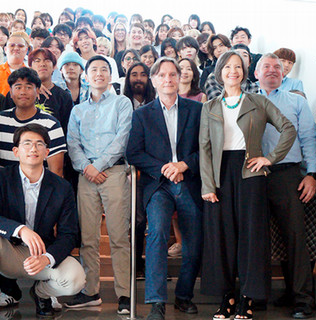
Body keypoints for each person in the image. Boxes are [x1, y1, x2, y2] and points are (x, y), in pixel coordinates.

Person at [199, 50, 296, 320]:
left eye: (238, 66)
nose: (233, 71)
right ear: (219, 73)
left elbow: (288, 128)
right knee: (222, 238)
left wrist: (271, 158)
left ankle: (247, 298)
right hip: (219, 176)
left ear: (244, 71)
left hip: (250, 174)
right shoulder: (209, 107)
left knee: (252, 238)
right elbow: (204, 148)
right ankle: (226, 297)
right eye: (228, 67)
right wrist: (208, 184)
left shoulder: (257, 101)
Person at [0, 124, 85, 320]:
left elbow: (69, 234)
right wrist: (21, 229)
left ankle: (42, 294)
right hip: (9, 251)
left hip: (42, 254)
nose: (33, 149)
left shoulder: (62, 187)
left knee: (76, 278)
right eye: (27, 143)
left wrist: (47, 258)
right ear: (16, 151)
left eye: (39, 144)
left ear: (47, 152)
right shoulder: (1, 177)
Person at [126, 57, 204, 320]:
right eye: (162, 75)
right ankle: (156, 301)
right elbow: (133, 153)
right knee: (157, 234)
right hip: (158, 185)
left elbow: (205, 150)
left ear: (180, 77)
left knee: (193, 243)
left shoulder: (196, 110)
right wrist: (165, 168)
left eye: (173, 74)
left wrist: (183, 165)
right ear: (154, 80)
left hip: (189, 182)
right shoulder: (142, 114)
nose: (168, 79)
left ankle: (183, 295)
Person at [65, 55, 133, 314]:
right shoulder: (78, 110)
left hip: (113, 173)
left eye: (104, 69)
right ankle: (90, 291)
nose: (99, 73)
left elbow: (122, 138)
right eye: (94, 69)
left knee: (118, 237)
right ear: (86, 76)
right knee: (89, 238)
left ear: (110, 74)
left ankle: (125, 295)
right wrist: (87, 168)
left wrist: (99, 166)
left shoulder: (122, 103)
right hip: (86, 175)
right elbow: (73, 143)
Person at [255, 53, 316, 319]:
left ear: (284, 73)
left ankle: (302, 299)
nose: (272, 70)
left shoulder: (296, 101)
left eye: (277, 67)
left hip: (288, 175)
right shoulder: (248, 101)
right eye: (266, 67)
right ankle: (256, 295)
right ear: (256, 73)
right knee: (256, 238)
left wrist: (312, 174)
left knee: (295, 237)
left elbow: (308, 137)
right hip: (255, 176)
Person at [0, 67, 67, 176]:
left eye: (28, 87)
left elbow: (56, 172)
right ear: (10, 92)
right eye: (18, 87)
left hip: (40, 188)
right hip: (4, 188)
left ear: (38, 91)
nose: (23, 92)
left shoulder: (51, 124)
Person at [28, 48, 74, 133]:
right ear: (30, 67)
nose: (42, 64)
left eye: (47, 60)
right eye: (37, 61)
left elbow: (67, 129)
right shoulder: (23, 93)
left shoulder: (64, 96)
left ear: (54, 67)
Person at [0, 31, 30, 96]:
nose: (16, 48)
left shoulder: (31, 74)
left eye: (20, 46)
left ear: (26, 50)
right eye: (12, 45)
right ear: (5, 50)